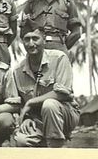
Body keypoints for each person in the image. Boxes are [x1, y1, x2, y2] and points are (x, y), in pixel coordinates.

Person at [13, 19, 80, 148]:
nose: (31, 43)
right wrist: (26, 118)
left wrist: (31, 102)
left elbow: (64, 94)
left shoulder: (59, 58)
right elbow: (18, 103)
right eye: (27, 39)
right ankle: (43, 142)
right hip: (36, 119)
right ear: (22, 42)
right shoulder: (17, 71)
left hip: (64, 114)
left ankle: (56, 147)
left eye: (35, 39)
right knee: (21, 141)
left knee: (49, 105)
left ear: (44, 40)